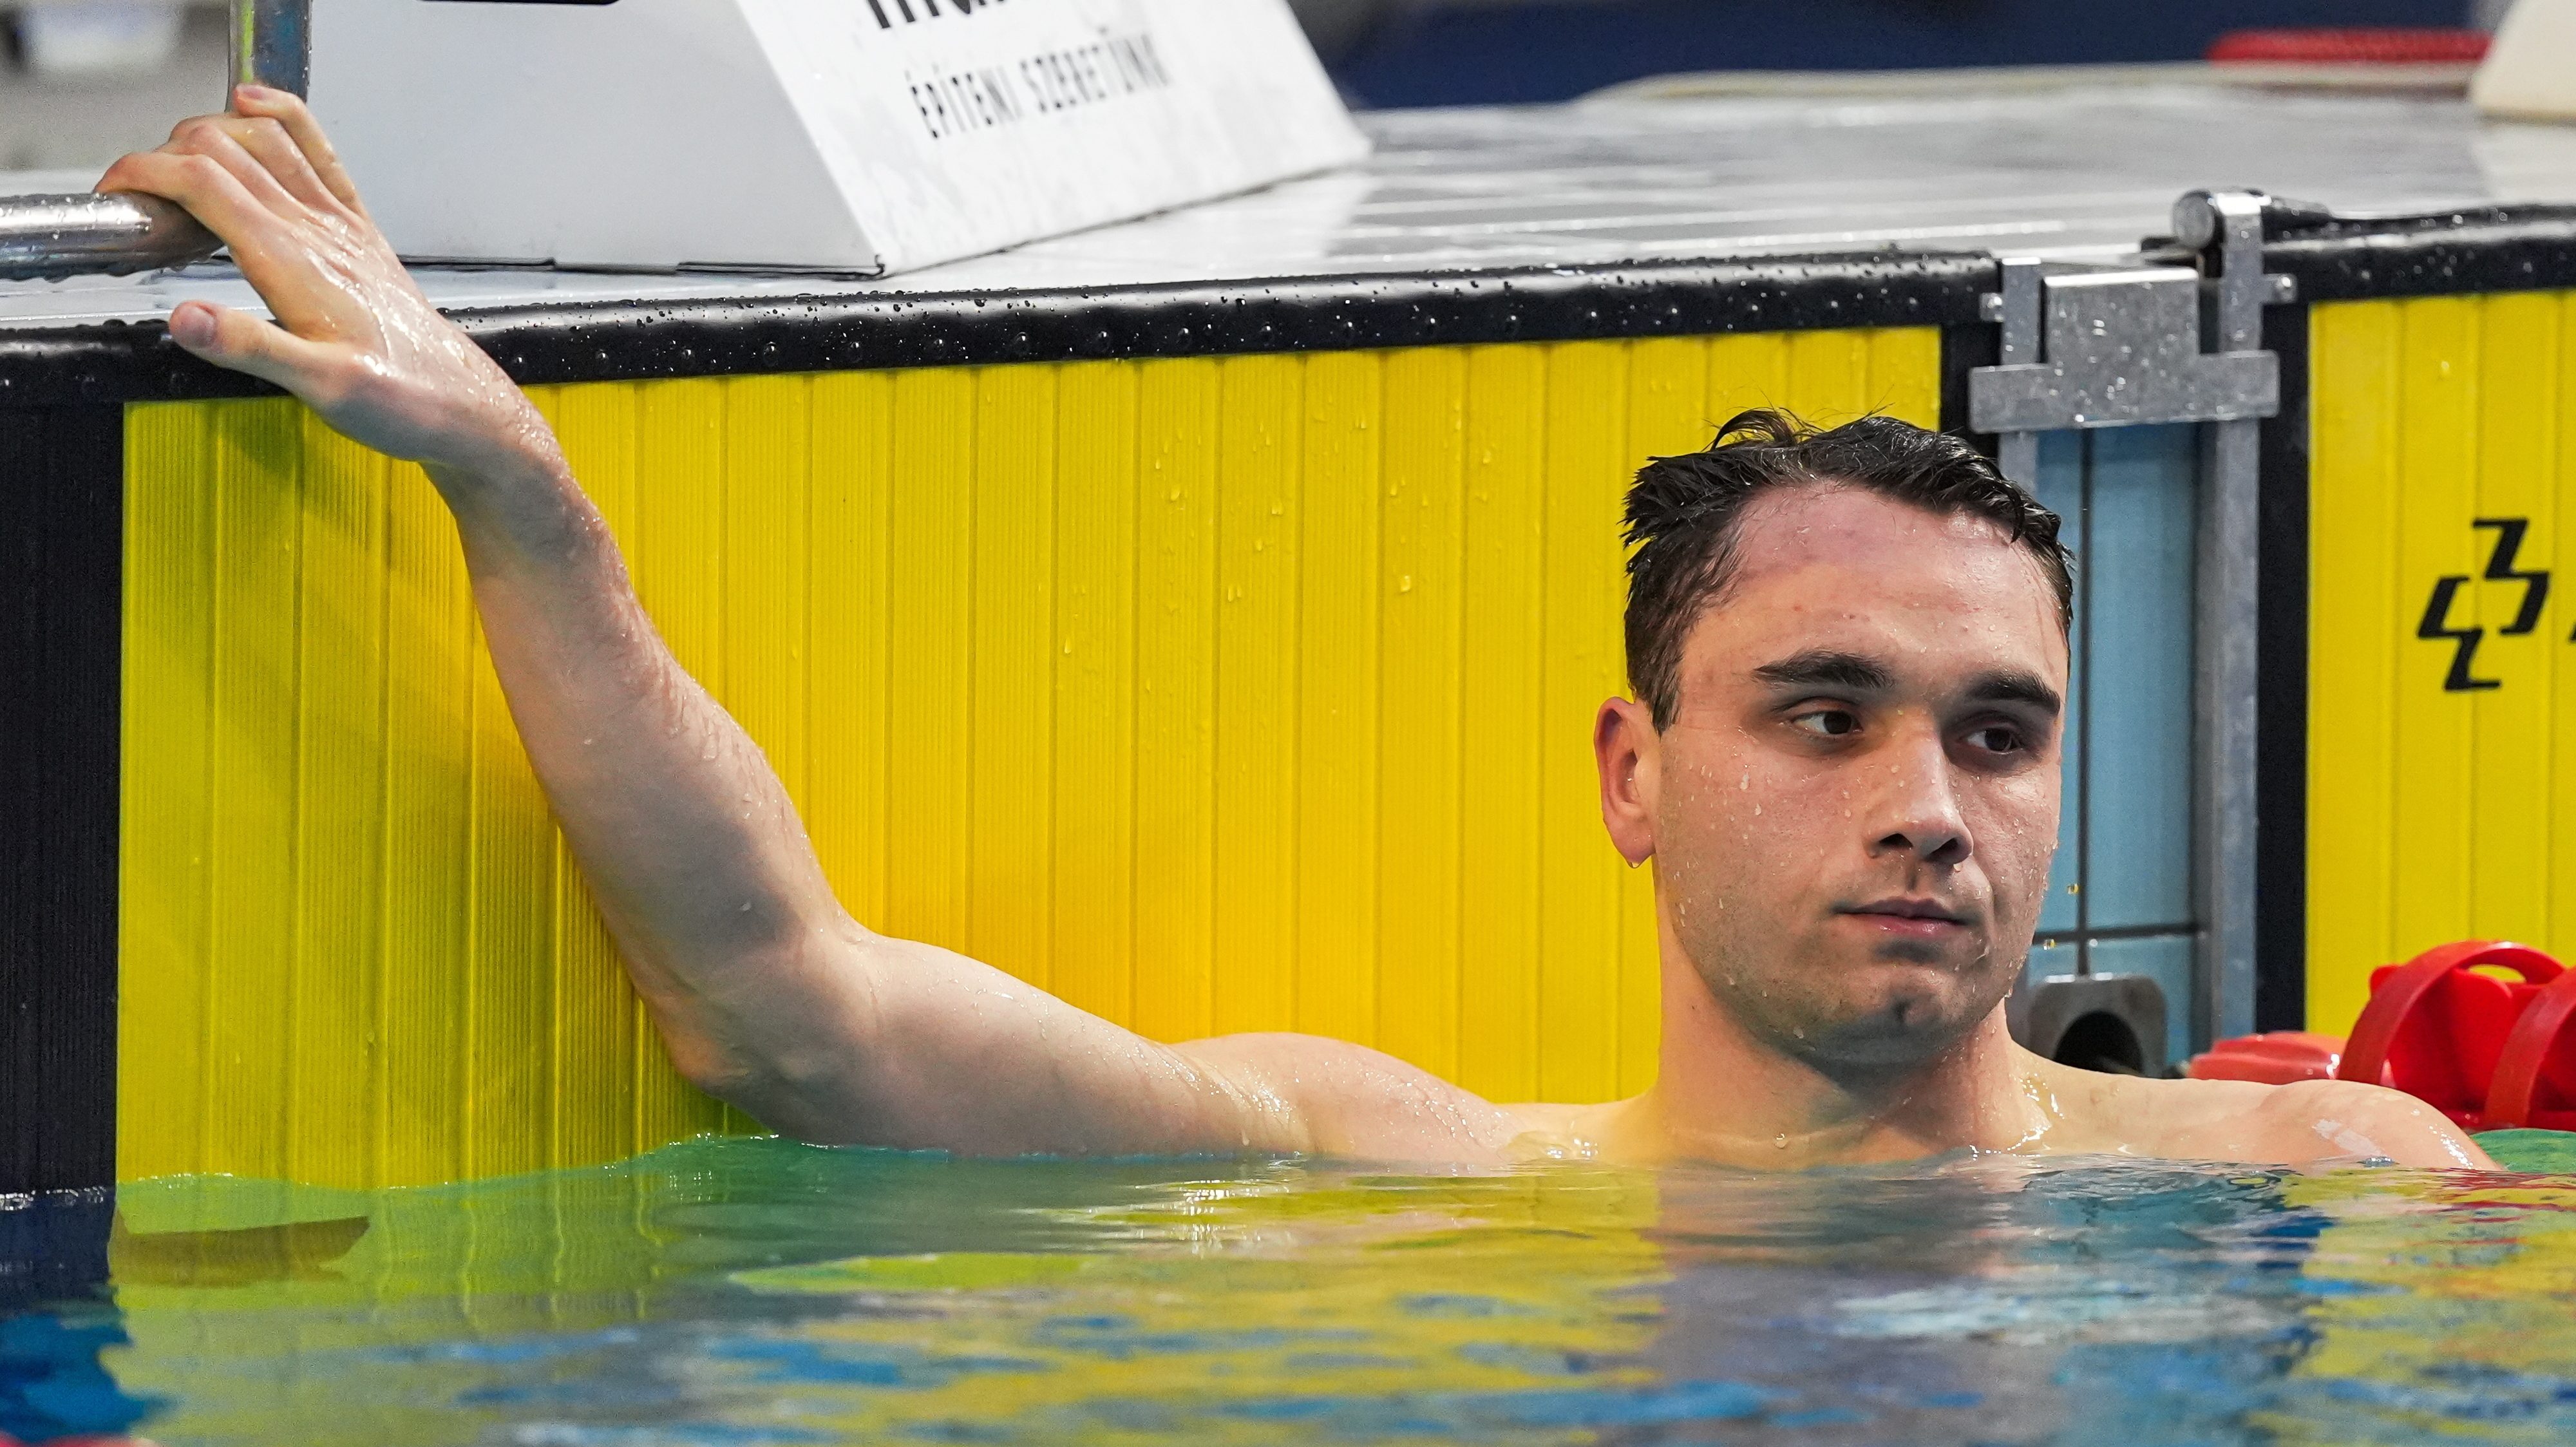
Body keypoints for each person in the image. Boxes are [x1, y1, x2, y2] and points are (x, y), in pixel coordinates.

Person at [99, 89, 2492, 1173]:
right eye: (1823, 713)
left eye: (1997, 732)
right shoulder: (1400, 1177)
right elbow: (789, 1015)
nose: (1926, 809)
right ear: (1632, 774)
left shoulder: (2325, 1177)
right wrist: (520, 493)